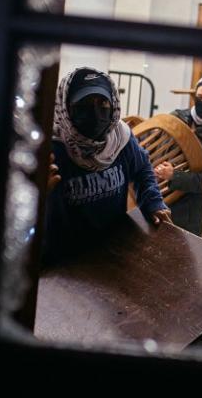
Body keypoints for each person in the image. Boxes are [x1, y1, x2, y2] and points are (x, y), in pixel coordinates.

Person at [43, 67, 171, 266]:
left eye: (103, 103)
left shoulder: (121, 138)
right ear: (66, 107)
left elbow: (142, 168)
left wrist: (152, 203)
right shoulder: (51, 148)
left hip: (114, 251)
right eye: (84, 104)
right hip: (65, 262)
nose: (95, 112)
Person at [153, 73, 202, 238]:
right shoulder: (175, 118)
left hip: (188, 212)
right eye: (200, 97)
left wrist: (175, 175)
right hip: (155, 197)